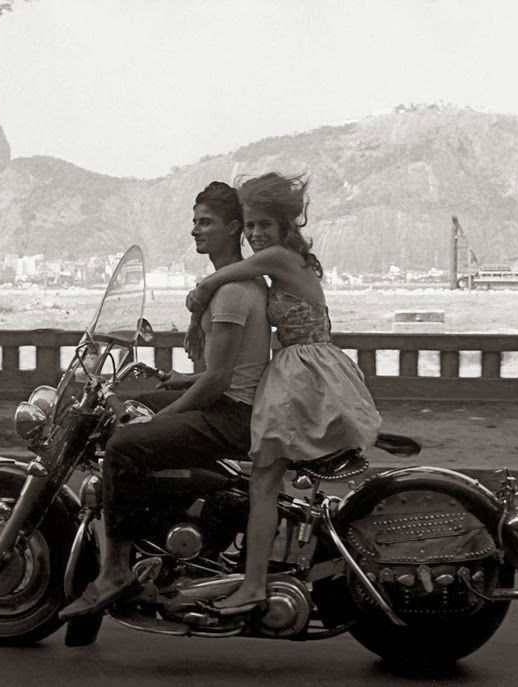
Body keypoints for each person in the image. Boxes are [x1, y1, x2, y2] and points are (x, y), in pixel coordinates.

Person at [59, 181, 270, 619]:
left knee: (123, 445)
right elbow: (225, 371)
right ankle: (151, 536)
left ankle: (114, 572)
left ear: (233, 227)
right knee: (129, 409)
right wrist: (178, 382)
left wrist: (165, 414)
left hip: (231, 414)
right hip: (229, 402)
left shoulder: (231, 292)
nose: (196, 230)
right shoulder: (233, 283)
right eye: (194, 221)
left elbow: (219, 382)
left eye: (206, 222)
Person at [185, 172, 383, 615]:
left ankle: (254, 584)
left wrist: (201, 293)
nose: (255, 235)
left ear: (284, 228)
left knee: (264, 480)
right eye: (250, 226)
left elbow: (224, 275)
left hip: (304, 370)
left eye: (263, 226)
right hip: (305, 367)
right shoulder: (293, 261)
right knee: (269, 478)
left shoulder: (276, 258)